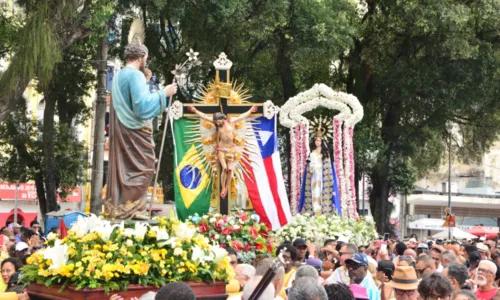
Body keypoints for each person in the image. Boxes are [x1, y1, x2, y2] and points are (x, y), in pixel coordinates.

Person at [105, 29, 177, 220]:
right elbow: (142, 108)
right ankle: (132, 208)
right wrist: (164, 93)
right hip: (135, 131)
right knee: (144, 168)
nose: (147, 60)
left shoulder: (119, 75)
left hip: (123, 130)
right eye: (147, 57)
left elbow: (130, 100)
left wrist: (145, 82)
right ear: (141, 56)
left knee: (126, 168)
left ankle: (125, 208)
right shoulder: (134, 75)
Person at [188, 105, 257, 198]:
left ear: (222, 119)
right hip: (221, 149)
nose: (216, 123)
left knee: (230, 169)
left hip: (231, 149)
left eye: (217, 120)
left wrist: (250, 110)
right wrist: (195, 110)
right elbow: (204, 116)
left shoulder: (231, 122)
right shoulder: (217, 124)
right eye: (215, 121)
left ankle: (226, 188)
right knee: (225, 168)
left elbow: (242, 116)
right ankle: (223, 187)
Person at [298, 129, 340, 216]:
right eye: (316, 140)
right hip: (314, 176)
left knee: (321, 191)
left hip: (322, 176)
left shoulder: (326, 153)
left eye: (319, 140)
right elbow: (309, 165)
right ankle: (314, 210)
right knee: (315, 192)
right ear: (314, 141)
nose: (318, 142)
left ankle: (322, 211)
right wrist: (311, 169)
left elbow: (328, 166)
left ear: (322, 141)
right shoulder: (311, 153)